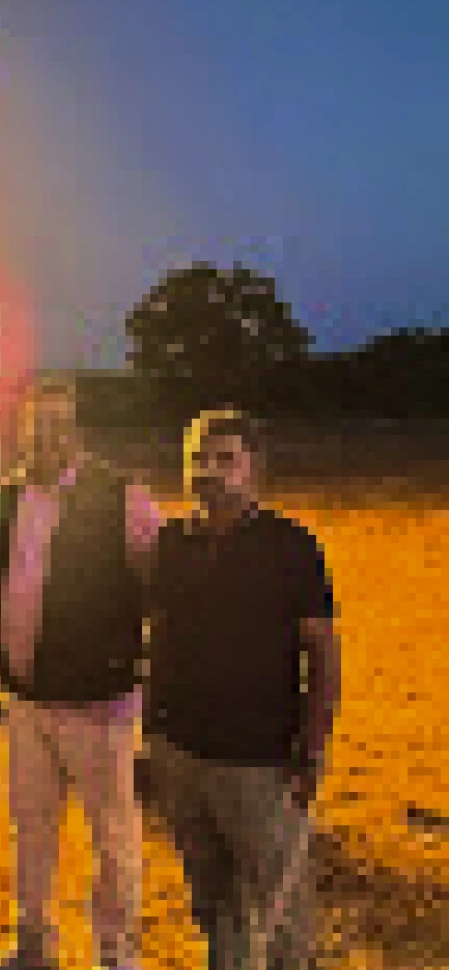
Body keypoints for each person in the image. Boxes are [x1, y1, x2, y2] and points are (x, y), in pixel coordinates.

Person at [143, 409, 340, 970]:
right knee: (211, 901)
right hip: (179, 756)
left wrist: (313, 747)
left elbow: (323, 655)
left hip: (260, 763)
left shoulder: (291, 546)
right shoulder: (170, 543)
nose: (208, 471)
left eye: (225, 459)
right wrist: (153, 738)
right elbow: (159, 639)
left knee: (280, 909)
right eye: (198, 460)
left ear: (256, 469)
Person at [0, 375, 161, 970]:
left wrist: (134, 666)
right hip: (25, 698)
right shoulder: (8, 496)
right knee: (31, 826)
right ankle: (34, 945)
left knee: (111, 835)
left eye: (58, 425)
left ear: (77, 430)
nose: (46, 438)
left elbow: (154, 585)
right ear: (21, 432)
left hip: (99, 702)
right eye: (36, 426)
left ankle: (116, 956)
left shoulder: (122, 496)